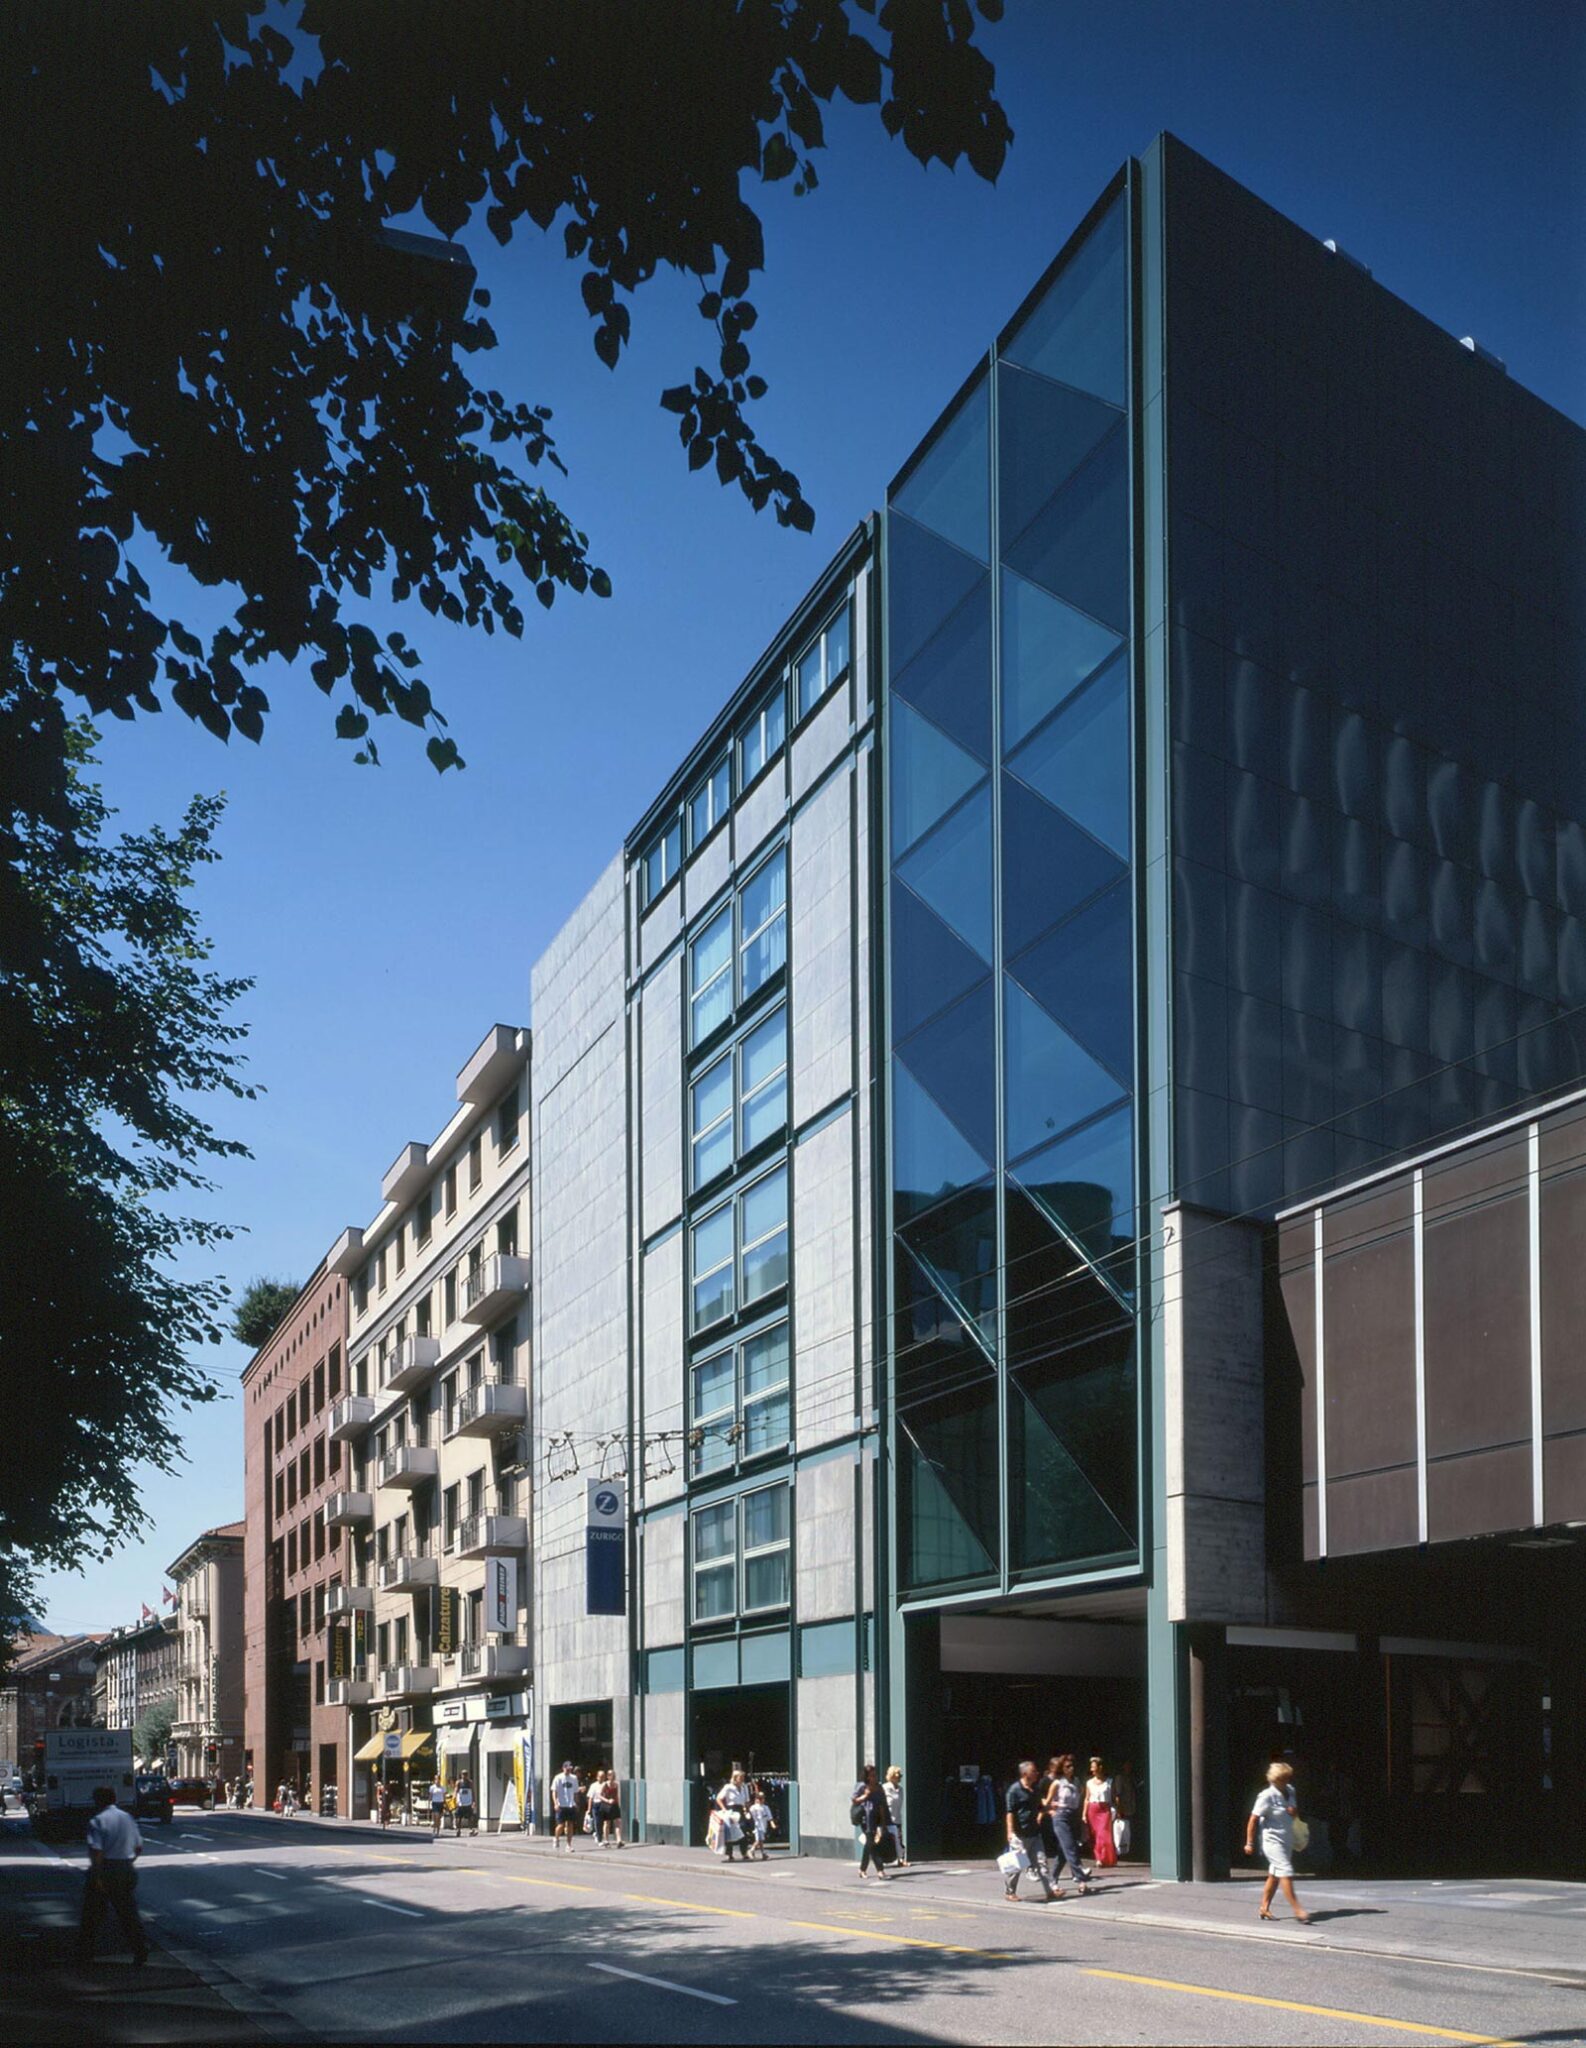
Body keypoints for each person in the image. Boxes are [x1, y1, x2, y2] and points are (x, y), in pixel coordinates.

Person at [78, 1787, 149, 1968]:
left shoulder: (97, 1821)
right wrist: (128, 1861)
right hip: (125, 1868)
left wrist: (97, 1875)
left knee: (92, 1915)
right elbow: (139, 1847)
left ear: (98, 1801)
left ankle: (86, 1953)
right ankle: (140, 1949)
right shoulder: (127, 1818)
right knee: (128, 1913)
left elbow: (97, 1851)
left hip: (106, 1868)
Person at [1246, 1761, 1310, 1923]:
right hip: (1272, 1841)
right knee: (1286, 1871)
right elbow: (1253, 1819)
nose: (1287, 1781)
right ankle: (1298, 1910)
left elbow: (1293, 1813)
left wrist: (1294, 1813)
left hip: (1286, 1840)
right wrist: (1249, 1843)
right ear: (1275, 1779)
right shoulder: (1266, 1796)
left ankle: (1264, 1908)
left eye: (1288, 1777)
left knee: (1274, 1875)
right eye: (1283, 1778)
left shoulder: (1290, 1791)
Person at [1003, 1760, 1058, 1904]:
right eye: (1033, 1771)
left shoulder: (1035, 1789)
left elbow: (1040, 1807)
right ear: (1025, 1773)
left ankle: (1050, 1891)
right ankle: (1010, 1892)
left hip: (1034, 1832)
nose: (1037, 1773)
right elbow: (1010, 1812)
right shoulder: (1014, 1790)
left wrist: (1050, 1808)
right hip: (1020, 1834)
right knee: (1017, 1865)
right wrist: (1010, 1832)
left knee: (1041, 1862)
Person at [1041, 1754, 1093, 1893]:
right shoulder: (1057, 1783)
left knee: (1063, 1851)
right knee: (1070, 1847)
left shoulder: (1076, 1781)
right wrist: (1050, 1809)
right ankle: (1081, 1879)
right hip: (1061, 1817)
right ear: (1062, 1769)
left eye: (1072, 1766)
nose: (1071, 1768)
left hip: (1073, 1816)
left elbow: (1080, 1797)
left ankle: (1052, 1879)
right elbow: (1046, 1801)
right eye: (1067, 1766)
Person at [851, 1763, 890, 1881]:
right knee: (871, 1843)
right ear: (867, 1776)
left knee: (869, 1844)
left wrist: (883, 1823)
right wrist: (865, 1795)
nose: (874, 1777)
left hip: (875, 1818)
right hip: (865, 1818)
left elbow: (882, 1805)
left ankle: (862, 1869)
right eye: (872, 1775)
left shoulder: (879, 1787)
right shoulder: (861, 1786)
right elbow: (854, 1800)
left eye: (875, 1775)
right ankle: (880, 1870)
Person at [1084, 1756, 1117, 1868]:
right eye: (1091, 1767)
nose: (1091, 1769)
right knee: (1095, 1835)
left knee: (1103, 1835)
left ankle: (1105, 1858)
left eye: (1093, 1767)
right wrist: (1084, 1814)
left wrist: (1118, 1809)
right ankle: (1099, 1858)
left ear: (1100, 1767)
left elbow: (1114, 1797)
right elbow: (1087, 1798)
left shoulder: (1109, 1782)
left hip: (1104, 1810)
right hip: (1092, 1809)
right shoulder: (1089, 1783)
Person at [716, 1768, 752, 1863]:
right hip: (731, 1809)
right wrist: (724, 1809)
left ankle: (744, 1853)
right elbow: (719, 1798)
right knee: (730, 1832)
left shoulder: (744, 1787)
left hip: (741, 1810)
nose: (742, 1779)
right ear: (735, 1778)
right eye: (741, 1777)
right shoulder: (728, 1787)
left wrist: (748, 1809)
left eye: (743, 1777)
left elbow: (747, 1801)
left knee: (743, 1830)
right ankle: (730, 1854)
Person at [551, 1760, 581, 1852]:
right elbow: (554, 1791)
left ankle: (569, 1845)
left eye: (570, 1769)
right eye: (567, 1768)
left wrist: (576, 1803)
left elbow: (576, 1791)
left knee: (570, 1825)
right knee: (561, 1825)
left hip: (571, 1804)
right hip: (561, 1804)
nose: (568, 1770)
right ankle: (556, 1838)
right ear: (563, 1768)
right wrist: (555, 1803)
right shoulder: (558, 1778)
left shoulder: (574, 1778)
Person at [882, 1765, 909, 1867]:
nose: (900, 1777)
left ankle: (901, 1859)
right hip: (888, 1818)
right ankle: (882, 1859)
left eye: (900, 1775)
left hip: (897, 1817)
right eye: (898, 1775)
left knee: (899, 1838)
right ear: (892, 1776)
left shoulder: (900, 1789)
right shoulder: (885, 1788)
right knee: (887, 1839)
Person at [747, 1783, 776, 1860]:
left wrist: (772, 1823)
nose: (760, 1800)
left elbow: (769, 1816)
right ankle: (751, 1850)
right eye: (758, 1799)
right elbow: (749, 1814)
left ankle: (763, 1853)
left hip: (763, 1825)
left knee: (761, 1840)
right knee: (758, 1840)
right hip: (756, 1825)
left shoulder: (765, 1807)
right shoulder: (753, 1807)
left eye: (761, 1798)